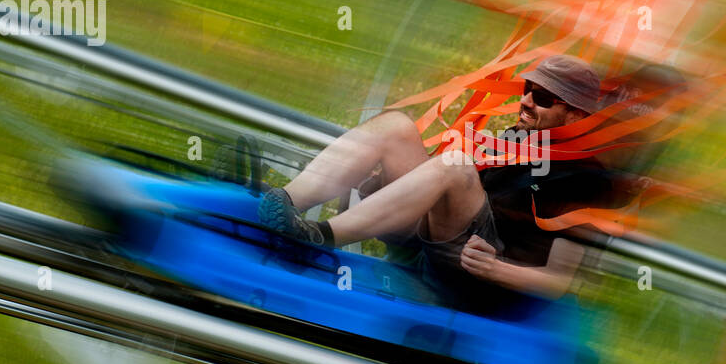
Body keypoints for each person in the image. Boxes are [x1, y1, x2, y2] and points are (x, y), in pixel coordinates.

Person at [260, 55, 616, 312]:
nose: (524, 101)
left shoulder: (588, 180)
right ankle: (285, 203)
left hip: (478, 274)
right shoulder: (519, 138)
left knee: (455, 166)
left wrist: (496, 269)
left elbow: (560, 280)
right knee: (398, 127)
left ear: (575, 115)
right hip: (440, 238)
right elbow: (465, 192)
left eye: (541, 98)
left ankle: (314, 238)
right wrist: (398, 184)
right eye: (527, 89)